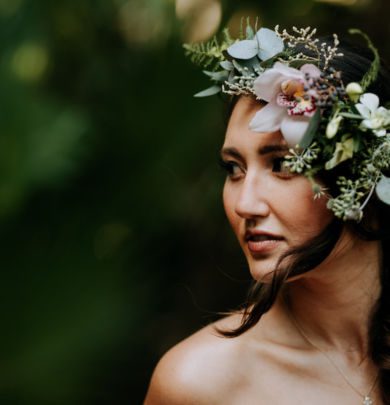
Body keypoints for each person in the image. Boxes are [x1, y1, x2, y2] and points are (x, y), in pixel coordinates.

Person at [144, 23, 390, 404]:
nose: (245, 204)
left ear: (363, 174)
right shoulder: (198, 382)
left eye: (280, 165)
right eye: (234, 169)